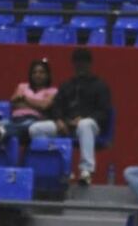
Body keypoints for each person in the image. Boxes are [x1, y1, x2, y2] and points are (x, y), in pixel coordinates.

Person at [28, 47, 112, 186]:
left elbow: (104, 112)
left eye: (83, 63)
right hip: (66, 125)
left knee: (85, 125)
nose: (80, 66)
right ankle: (58, 167)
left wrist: (84, 118)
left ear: (89, 64)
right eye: (78, 63)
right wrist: (59, 120)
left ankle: (86, 171)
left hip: (91, 126)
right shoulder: (67, 85)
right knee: (35, 129)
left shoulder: (100, 86)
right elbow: (56, 106)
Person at [0, 58, 57, 148]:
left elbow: (44, 106)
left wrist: (25, 99)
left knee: (28, 128)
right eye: (34, 72)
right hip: (14, 119)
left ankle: (3, 132)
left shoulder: (53, 91)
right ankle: (3, 132)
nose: (37, 75)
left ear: (48, 75)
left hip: (34, 120)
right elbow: (13, 102)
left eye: (41, 72)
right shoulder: (22, 86)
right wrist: (36, 105)